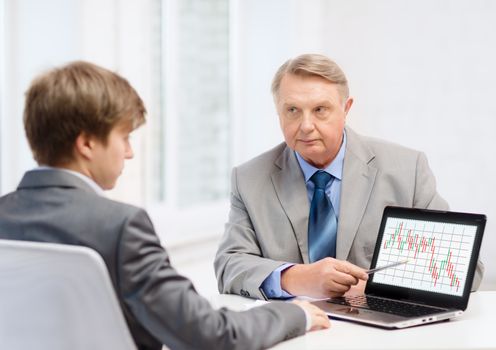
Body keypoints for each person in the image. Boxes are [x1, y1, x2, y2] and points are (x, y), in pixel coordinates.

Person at [0, 61, 330, 350]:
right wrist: (294, 313)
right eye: (125, 137)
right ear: (86, 143)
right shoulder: (120, 227)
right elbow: (211, 336)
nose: (129, 152)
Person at [214, 53, 484, 300]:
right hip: (294, 329)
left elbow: (467, 270)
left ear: (346, 108)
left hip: (380, 329)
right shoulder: (249, 179)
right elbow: (229, 264)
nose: (306, 126)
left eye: (320, 109)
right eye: (292, 110)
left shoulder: (407, 169)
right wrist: (294, 277)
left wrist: (378, 286)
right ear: (278, 112)